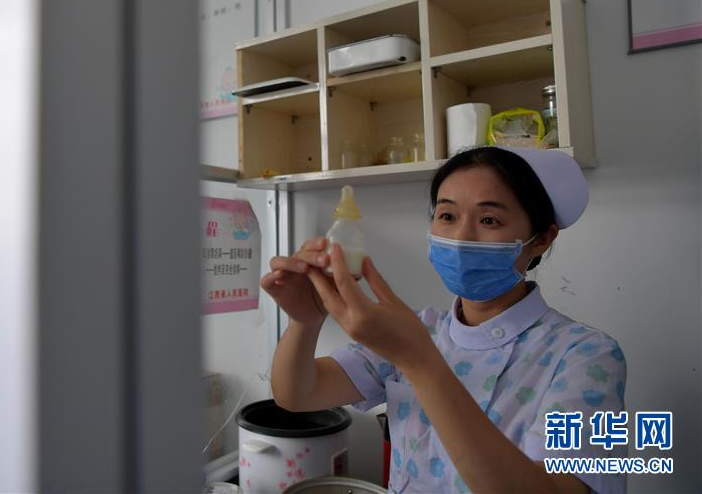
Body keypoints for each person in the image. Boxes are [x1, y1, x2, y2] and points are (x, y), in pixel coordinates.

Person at [261, 145, 626, 494]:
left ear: (541, 239)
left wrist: (419, 362)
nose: (461, 237)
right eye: (447, 216)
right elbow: (297, 394)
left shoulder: (585, 355)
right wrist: (305, 322)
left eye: (489, 220)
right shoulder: (416, 329)